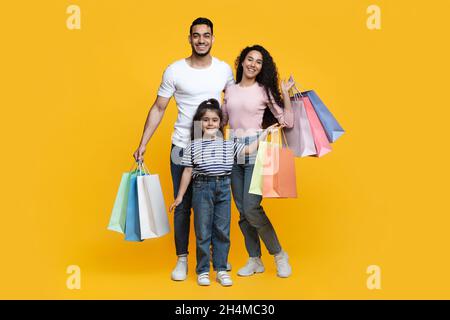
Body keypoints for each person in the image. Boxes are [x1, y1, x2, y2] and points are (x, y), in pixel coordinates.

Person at [133, 18, 234, 281]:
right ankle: (182, 260)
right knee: (183, 205)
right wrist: (143, 143)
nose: (201, 40)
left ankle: (217, 262)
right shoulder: (175, 70)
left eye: (206, 35)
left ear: (213, 38)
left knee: (216, 205)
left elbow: (236, 106)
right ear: (189, 39)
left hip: (212, 149)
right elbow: (158, 108)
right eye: (196, 36)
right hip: (182, 146)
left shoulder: (223, 70)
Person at [169, 99, 277, 286]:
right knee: (203, 231)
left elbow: (249, 149)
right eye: (205, 120)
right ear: (199, 123)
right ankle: (202, 270)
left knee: (222, 231)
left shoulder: (228, 145)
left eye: (214, 120)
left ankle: (220, 269)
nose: (210, 123)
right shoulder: (192, 146)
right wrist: (179, 197)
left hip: (224, 190)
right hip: (202, 189)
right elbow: (187, 171)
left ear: (221, 123)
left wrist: (265, 133)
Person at [222, 45, 295, 278]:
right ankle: (255, 260)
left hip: (255, 150)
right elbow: (223, 120)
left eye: (259, 61)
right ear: (241, 61)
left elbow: (288, 121)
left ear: (262, 67)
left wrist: (285, 94)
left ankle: (279, 254)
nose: (253, 64)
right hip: (232, 150)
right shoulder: (229, 89)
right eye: (249, 59)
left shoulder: (264, 90)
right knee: (243, 211)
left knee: (252, 207)